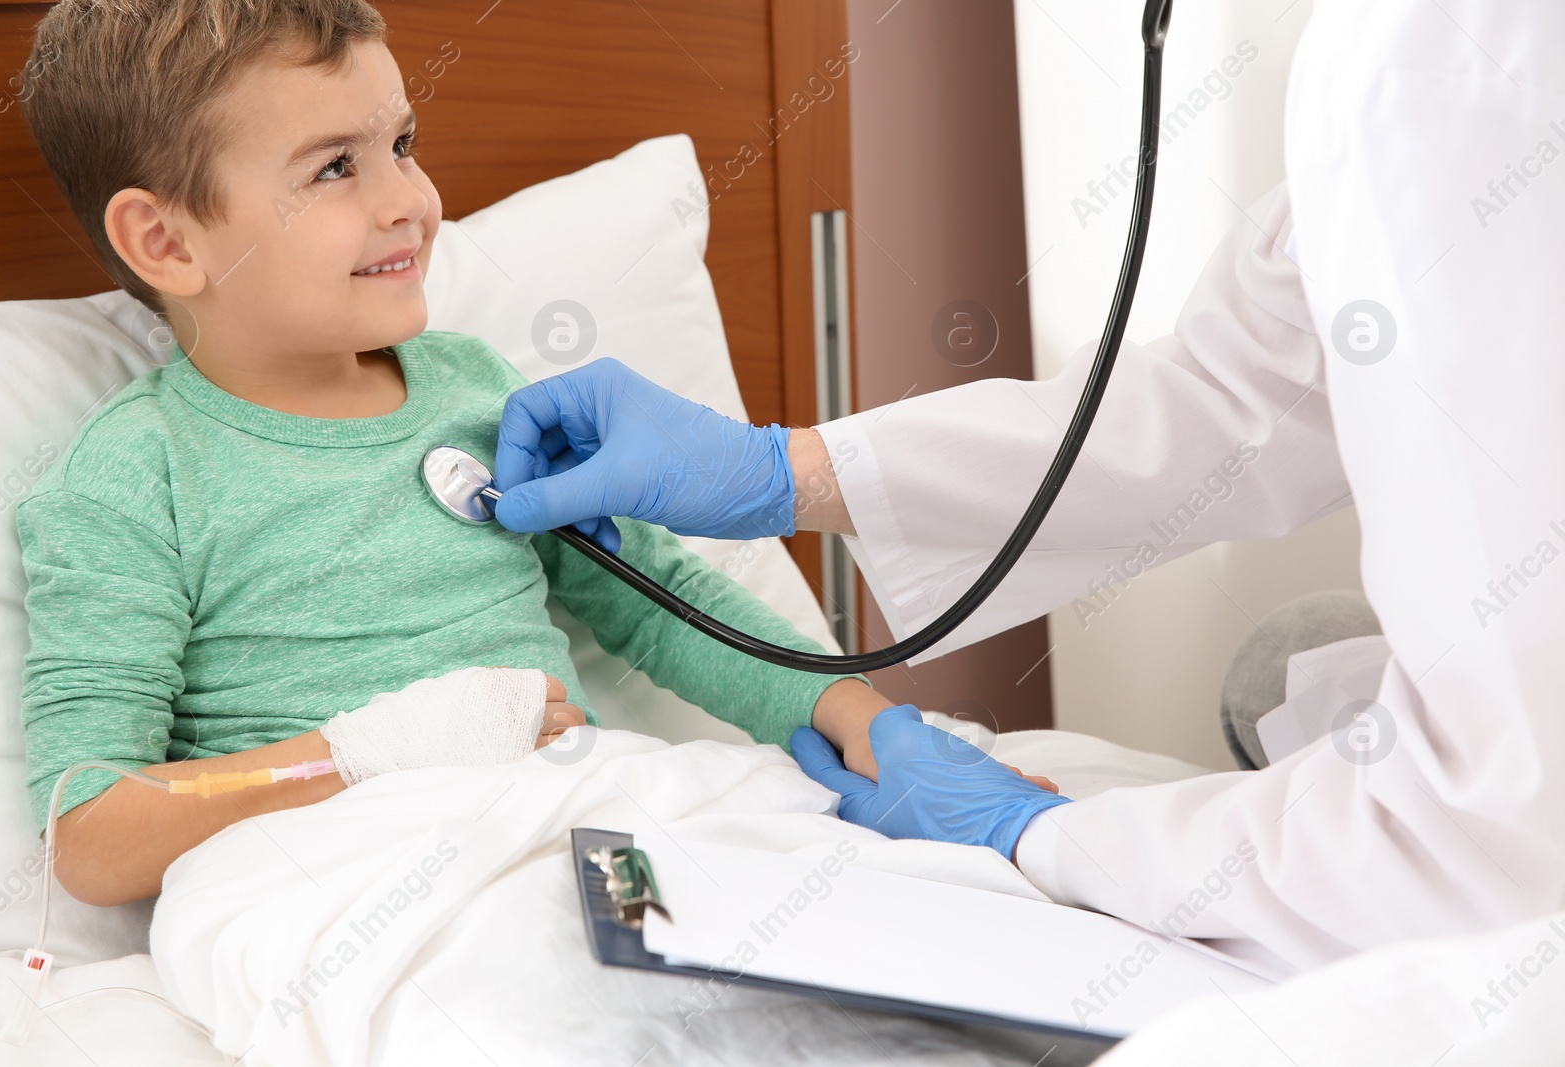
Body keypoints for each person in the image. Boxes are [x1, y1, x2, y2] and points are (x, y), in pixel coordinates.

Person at [491, 0, 1565, 977]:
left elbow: (1500, 830)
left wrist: (1040, 834)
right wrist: (780, 472)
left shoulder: (1451, 58)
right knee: (1281, 666)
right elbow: (1239, 393)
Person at [14, 0, 901, 909]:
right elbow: (90, 829)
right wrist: (370, 753)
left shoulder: (475, 392)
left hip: (573, 837)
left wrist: (856, 713)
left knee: (865, 901)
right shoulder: (138, 474)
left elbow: (662, 606)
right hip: (348, 892)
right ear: (165, 240)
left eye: (401, 144)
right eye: (332, 168)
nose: (412, 202)